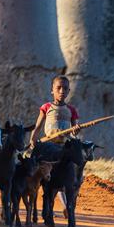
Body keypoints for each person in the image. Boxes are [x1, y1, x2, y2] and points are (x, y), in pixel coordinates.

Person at [29, 75, 81, 219]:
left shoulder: (71, 110)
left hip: (64, 147)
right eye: (58, 88)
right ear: (52, 90)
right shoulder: (46, 107)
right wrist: (33, 139)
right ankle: (34, 206)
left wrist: (76, 130)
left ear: (69, 91)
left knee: (69, 174)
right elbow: (38, 126)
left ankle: (67, 204)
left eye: (65, 88)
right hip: (48, 147)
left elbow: (75, 129)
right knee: (39, 174)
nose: (61, 91)